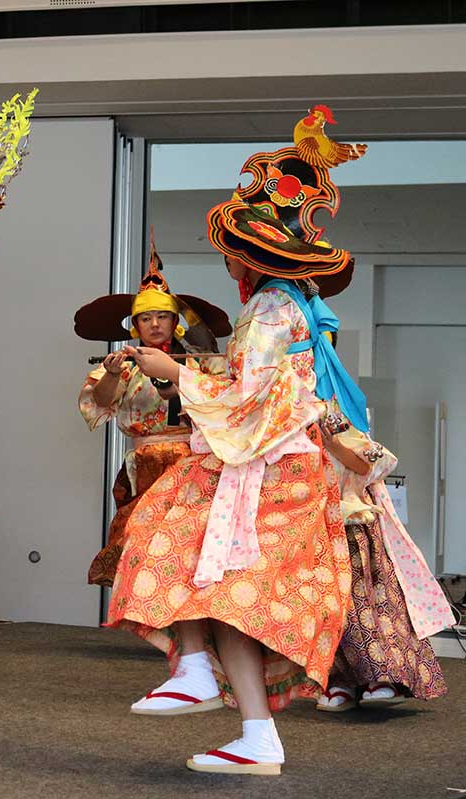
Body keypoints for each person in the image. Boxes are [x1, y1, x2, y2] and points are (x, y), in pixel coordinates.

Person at [107, 109, 367, 774]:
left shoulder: (272, 307)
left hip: (270, 464)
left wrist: (177, 371)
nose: (226, 261)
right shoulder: (289, 306)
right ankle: (254, 729)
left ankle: (197, 670)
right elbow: (258, 383)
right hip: (274, 458)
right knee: (215, 587)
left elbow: (249, 394)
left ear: (256, 253)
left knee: (166, 533)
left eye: (231, 250)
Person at [74, 239, 231, 586]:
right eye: (146, 317)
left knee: (189, 545)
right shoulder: (125, 364)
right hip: (143, 464)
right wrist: (113, 374)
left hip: (195, 462)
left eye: (162, 316)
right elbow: (99, 403)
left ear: (176, 321)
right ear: (135, 325)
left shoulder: (200, 362)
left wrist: (182, 386)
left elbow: (227, 403)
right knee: (140, 543)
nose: (155, 324)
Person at [315, 401, 453, 711]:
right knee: (327, 608)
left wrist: (328, 440)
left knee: (364, 604)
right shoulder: (278, 404)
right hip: (310, 522)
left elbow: (366, 463)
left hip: (350, 520)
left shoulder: (329, 406)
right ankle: (340, 680)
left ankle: (384, 675)